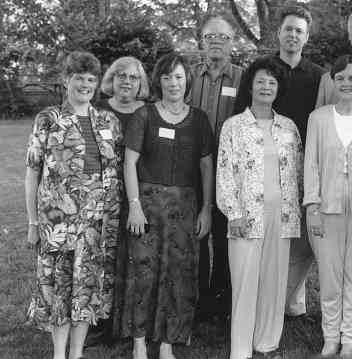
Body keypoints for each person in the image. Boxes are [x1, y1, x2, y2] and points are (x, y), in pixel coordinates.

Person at [25, 51, 122, 359]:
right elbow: (32, 173)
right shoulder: (48, 119)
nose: (85, 84)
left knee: (86, 289)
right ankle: (58, 354)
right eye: (78, 78)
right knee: (60, 288)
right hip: (57, 222)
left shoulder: (108, 120)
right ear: (66, 80)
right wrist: (32, 224)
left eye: (91, 79)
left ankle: (77, 353)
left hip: (97, 224)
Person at [119, 52, 214, 359]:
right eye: (166, 76)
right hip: (146, 207)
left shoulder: (199, 119)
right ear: (158, 80)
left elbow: (206, 167)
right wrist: (134, 205)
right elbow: (129, 162)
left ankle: (168, 342)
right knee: (143, 273)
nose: (173, 82)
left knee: (178, 273)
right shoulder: (144, 116)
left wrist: (206, 209)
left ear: (187, 81)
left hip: (185, 208)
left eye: (178, 77)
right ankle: (138, 341)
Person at [235, 3, 325, 318]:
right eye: (288, 29)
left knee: (297, 235)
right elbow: (239, 113)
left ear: (307, 36)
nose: (293, 35)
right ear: (279, 32)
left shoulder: (317, 76)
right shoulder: (261, 69)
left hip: (301, 163)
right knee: (262, 232)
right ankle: (258, 299)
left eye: (299, 30)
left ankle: (291, 299)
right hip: (259, 164)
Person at [217, 57, 303, 359]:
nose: (266, 86)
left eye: (272, 82)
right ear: (250, 85)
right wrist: (234, 213)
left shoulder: (289, 128)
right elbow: (225, 172)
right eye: (261, 81)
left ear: (278, 89)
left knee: (274, 282)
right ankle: (240, 350)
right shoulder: (233, 126)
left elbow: (300, 173)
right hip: (245, 217)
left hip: (283, 217)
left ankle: (266, 343)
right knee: (244, 283)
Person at [304, 55, 352, 358]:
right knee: (330, 277)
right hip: (326, 210)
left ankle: (350, 337)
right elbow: (310, 163)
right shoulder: (318, 118)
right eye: (340, 78)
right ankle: (330, 337)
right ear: (332, 82)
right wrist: (312, 205)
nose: (346, 83)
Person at [190, 15, 243, 322]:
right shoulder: (188, 76)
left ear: (232, 43)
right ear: (202, 42)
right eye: (211, 37)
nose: (216, 43)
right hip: (191, 168)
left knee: (224, 236)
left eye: (223, 37)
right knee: (196, 233)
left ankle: (221, 297)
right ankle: (197, 297)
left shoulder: (242, 77)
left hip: (228, 170)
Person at [94, 56, 149, 343]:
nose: (127, 82)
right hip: (103, 198)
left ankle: (129, 323)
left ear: (141, 83)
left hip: (138, 197)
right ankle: (101, 323)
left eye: (133, 77)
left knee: (133, 261)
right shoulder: (97, 110)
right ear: (110, 79)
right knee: (104, 259)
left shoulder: (150, 112)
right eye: (121, 76)